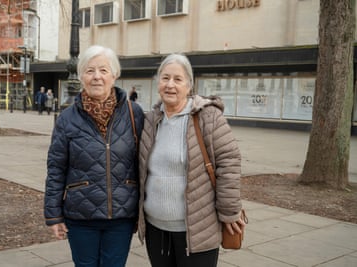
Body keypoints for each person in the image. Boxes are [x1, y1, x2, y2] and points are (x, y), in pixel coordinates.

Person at [137, 54, 245, 267]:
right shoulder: (150, 120)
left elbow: (229, 163)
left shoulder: (208, 117)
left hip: (197, 230)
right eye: (165, 78)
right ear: (158, 82)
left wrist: (230, 211)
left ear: (189, 85)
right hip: (156, 229)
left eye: (178, 79)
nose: (170, 85)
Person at [44, 45, 144, 267]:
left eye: (103, 70)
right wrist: (53, 215)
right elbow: (56, 168)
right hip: (81, 215)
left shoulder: (134, 113)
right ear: (81, 76)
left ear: (114, 75)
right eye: (90, 71)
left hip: (121, 215)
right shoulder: (67, 118)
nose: (97, 77)